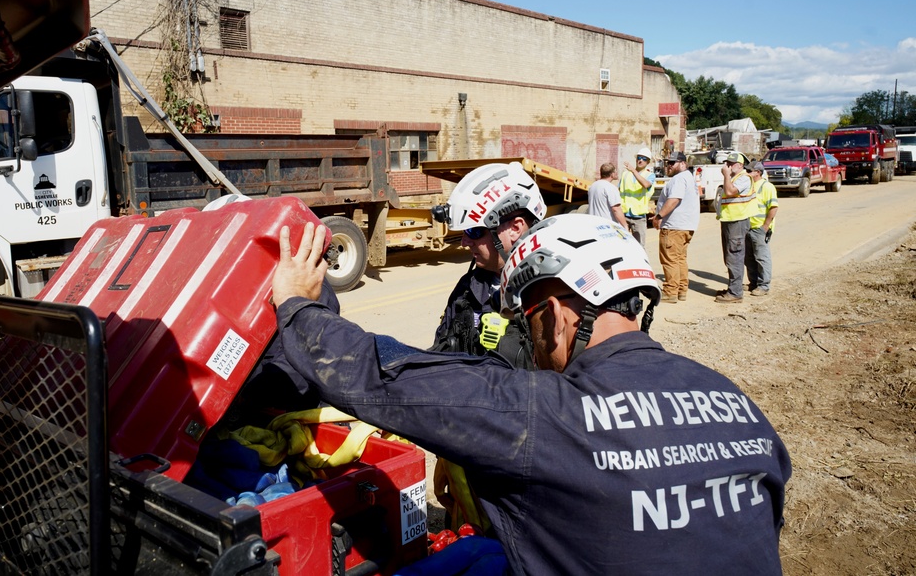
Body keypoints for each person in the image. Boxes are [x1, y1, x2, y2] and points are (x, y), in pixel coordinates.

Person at [270, 215, 792, 575]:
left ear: (558, 315)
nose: (534, 342)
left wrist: (297, 305)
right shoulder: (736, 402)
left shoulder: (545, 414)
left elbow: (385, 378)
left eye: (529, 319)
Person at [428, 161, 546, 369]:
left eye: (473, 231)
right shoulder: (467, 290)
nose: (464, 242)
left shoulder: (555, 291)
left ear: (515, 228)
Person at [652, 151, 699, 303]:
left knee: (670, 259)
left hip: (674, 226)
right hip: (685, 226)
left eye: (673, 163)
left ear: (683, 163)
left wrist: (659, 216)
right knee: (680, 259)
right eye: (668, 163)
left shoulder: (679, 179)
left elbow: (674, 200)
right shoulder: (688, 178)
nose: (669, 166)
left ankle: (670, 291)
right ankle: (681, 290)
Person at [716, 151, 757, 303]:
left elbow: (730, 191)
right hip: (729, 221)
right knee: (729, 257)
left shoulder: (744, 178)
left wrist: (726, 175)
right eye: (727, 163)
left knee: (735, 257)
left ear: (740, 165)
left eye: (732, 164)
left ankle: (735, 292)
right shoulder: (734, 178)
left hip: (737, 222)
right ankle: (733, 287)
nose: (728, 166)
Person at [745, 161, 778, 297]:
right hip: (748, 227)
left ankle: (764, 285)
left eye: (749, 171)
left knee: (761, 257)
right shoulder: (749, 186)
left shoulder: (767, 187)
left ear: (758, 172)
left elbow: (773, 207)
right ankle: (753, 282)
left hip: (759, 228)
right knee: (749, 258)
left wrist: (766, 226)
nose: (747, 174)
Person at [619, 147, 655, 246]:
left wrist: (633, 171)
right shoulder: (625, 174)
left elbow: (646, 185)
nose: (640, 160)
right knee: (621, 244)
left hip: (639, 217)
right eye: (639, 157)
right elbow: (619, 191)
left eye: (644, 159)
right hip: (624, 214)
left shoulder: (650, 175)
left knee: (639, 246)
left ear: (648, 162)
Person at [587, 162, 629, 229]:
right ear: (612, 174)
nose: (616, 173)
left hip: (594, 225)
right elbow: (616, 209)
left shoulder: (593, 186)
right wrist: (625, 225)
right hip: (606, 227)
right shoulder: (611, 188)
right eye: (615, 172)